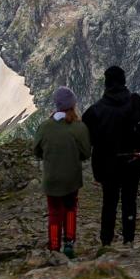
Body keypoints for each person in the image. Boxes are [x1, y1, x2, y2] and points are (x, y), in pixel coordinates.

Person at [81, 65, 140, 249]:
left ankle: (106, 241)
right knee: (130, 200)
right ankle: (129, 239)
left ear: (107, 83)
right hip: (132, 161)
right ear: (124, 81)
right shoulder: (137, 103)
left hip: (108, 163)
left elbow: (89, 139)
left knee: (109, 202)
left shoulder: (96, 110)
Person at [32, 86, 91, 258]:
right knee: (71, 208)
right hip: (72, 178)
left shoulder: (45, 127)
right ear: (72, 105)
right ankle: (69, 243)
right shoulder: (79, 127)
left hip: (52, 179)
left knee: (54, 212)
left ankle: (54, 246)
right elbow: (86, 153)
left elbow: (36, 151)